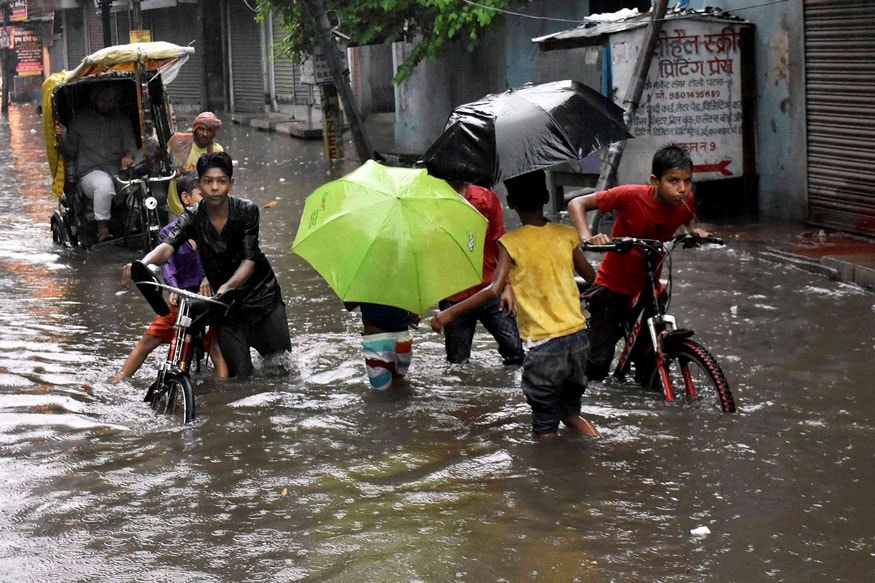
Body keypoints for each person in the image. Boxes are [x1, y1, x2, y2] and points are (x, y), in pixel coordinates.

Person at [431, 170, 600, 440]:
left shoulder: (510, 243)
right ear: (546, 197)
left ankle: (550, 476)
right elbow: (591, 278)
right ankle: (598, 447)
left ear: (509, 202)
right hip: (578, 340)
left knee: (545, 427)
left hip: (545, 346)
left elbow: (493, 289)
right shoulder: (566, 234)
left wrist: (449, 313)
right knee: (570, 414)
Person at [124, 152, 291, 379]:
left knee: (280, 367)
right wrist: (142, 264)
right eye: (208, 181)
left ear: (230, 184)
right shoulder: (192, 217)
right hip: (225, 306)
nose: (215, 188)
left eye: (221, 181)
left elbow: (249, 260)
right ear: (200, 185)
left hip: (261, 296)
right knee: (239, 376)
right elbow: (168, 245)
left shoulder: (246, 211)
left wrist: (226, 286)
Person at [566, 142, 711, 383]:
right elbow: (576, 204)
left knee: (650, 361)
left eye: (687, 181)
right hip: (612, 285)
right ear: (655, 181)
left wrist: (694, 230)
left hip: (648, 287)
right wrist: (587, 237)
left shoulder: (686, 200)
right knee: (598, 365)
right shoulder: (629, 195)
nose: (682, 189)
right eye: (673, 181)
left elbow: (688, 218)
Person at [112, 172, 227, 382]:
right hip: (181, 297)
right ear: (186, 199)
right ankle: (118, 380)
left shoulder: (219, 227)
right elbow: (168, 265)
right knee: (148, 340)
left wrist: (208, 279)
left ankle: (223, 398)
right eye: (202, 194)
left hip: (208, 299)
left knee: (217, 350)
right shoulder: (169, 232)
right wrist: (172, 289)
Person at [439, 182, 524, 366]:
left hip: (490, 287)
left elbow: (500, 242)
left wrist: (508, 286)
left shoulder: (484, 198)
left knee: (516, 352)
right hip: (454, 294)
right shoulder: (434, 201)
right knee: (457, 363)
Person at [54, 84, 138, 242]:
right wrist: (63, 136)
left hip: (118, 170)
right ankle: (102, 230)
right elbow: (70, 152)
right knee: (104, 186)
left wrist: (128, 156)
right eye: (103, 99)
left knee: (140, 185)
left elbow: (130, 147)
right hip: (89, 172)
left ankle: (132, 225)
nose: (106, 103)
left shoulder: (122, 121)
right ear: (95, 99)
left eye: (110, 100)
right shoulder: (79, 120)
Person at [345, 302, 419, 391]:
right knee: (399, 384)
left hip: (377, 342)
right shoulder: (403, 287)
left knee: (382, 395)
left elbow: (349, 305)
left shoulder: (364, 288)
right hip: (403, 340)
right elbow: (415, 314)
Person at [166, 111, 224, 216]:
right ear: (195, 129)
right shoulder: (179, 142)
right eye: (202, 129)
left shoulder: (217, 151)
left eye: (209, 130)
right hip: (176, 206)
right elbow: (161, 154)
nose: (205, 134)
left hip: (202, 209)